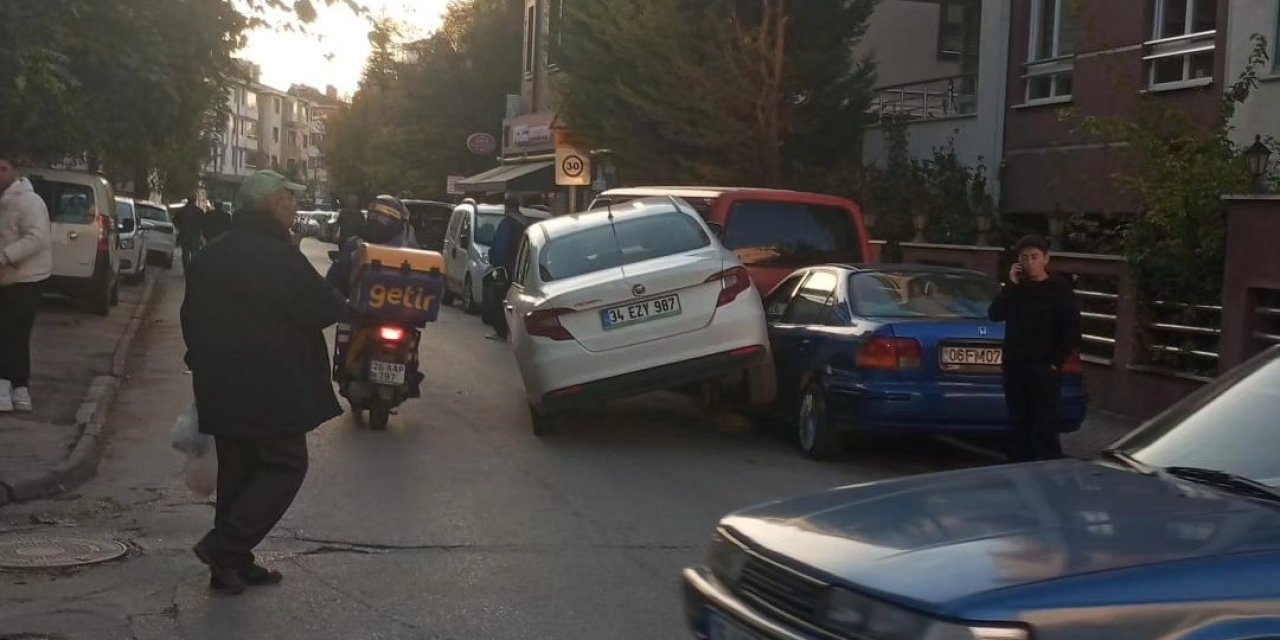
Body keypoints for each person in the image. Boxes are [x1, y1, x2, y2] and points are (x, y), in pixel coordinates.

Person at [181, 170, 350, 595]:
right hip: (272, 385)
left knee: (237, 470)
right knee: (285, 464)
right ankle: (225, 546)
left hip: (220, 381)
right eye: (289, 200)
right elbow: (320, 307)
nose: (294, 208)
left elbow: (189, 317)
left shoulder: (212, 254)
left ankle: (231, 564)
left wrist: (202, 362)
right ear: (270, 204)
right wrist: (344, 304)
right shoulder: (280, 256)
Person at [988, 235, 1081, 462]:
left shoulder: (1059, 290)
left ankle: (1045, 468)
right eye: (1024, 258)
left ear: (1045, 259)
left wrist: (1055, 362)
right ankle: (1019, 465)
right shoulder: (1016, 289)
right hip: (1016, 366)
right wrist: (1011, 284)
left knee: (1044, 423)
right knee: (1018, 420)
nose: (1030, 262)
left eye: (1034, 257)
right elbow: (994, 314)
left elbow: (1071, 329)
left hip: (1045, 368)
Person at [0, 153, 53, 413]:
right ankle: (11, 387)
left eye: (3, 168)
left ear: (14, 171)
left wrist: (5, 257)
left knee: (15, 332)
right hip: (5, 277)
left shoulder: (29, 201)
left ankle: (14, 386)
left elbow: (37, 237)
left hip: (26, 278)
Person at [484, 197, 529, 340]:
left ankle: (500, 331)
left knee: (500, 299)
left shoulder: (507, 224)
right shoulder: (525, 223)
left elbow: (501, 246)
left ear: (507, 208)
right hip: (522, 270)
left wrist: (495, 261)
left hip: (506, 268)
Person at [174, 195, 205, 272]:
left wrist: (180, 227)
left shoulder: (182, 210)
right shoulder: (199, 211)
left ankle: (187, 268)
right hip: (195, 235)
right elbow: (204, 223)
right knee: (194, 252)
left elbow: (175, 220)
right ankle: (193, 268)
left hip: (185, 234)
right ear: (194, 201)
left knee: (185, 252)